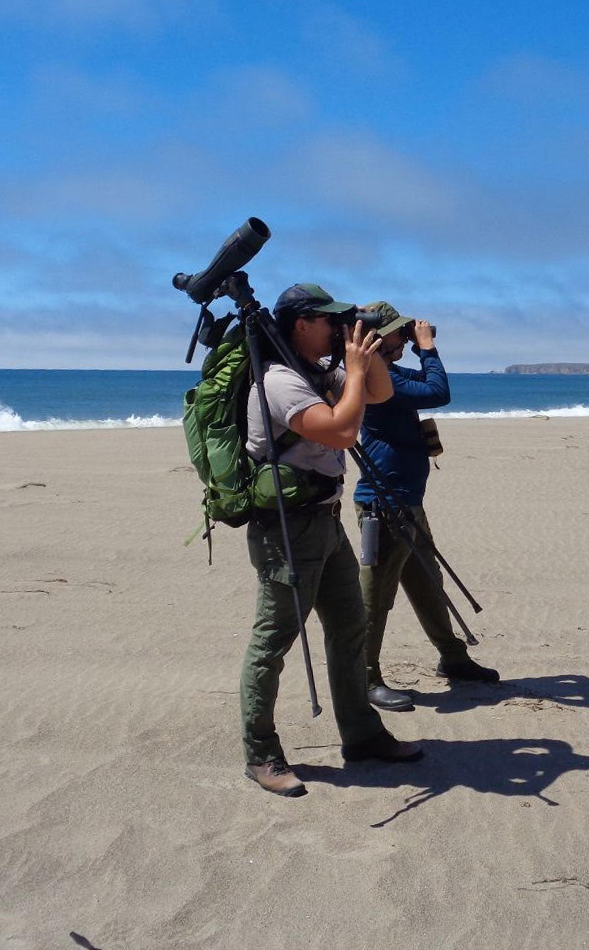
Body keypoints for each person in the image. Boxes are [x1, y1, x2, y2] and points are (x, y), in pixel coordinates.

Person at [240, 283, 424, 797]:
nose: (337, 328)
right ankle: (260, 753)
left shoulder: (322, 372)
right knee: (272, 642)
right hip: (287, 528)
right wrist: (357, 369)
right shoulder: (277, 382)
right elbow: (342, 432)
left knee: (349, 628)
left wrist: (362, 347)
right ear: (301, 323)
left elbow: (382, 394)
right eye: (329, 321)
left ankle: (362, 735)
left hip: (325, 519)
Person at [354, 301, 500, 712]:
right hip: (383, 504)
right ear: (378, 338)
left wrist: (419, 349)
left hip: (406, 502)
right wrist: (428, 347)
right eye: (398, 332)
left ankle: (452, 658)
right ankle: (365, 678)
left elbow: (426, 385)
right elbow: (438, 391)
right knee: (375, 596)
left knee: (427, 583)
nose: (404, 337)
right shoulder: (371, 374)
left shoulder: (391, 372)